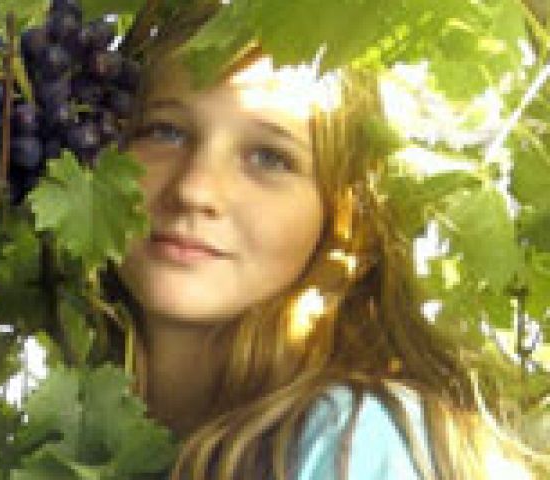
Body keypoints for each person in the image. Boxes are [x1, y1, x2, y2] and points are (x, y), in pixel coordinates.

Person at [95, 11, 547, 480]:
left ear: (341, 218)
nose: (195, 190)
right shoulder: (92, 433)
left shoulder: (351, 440)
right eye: (165, 132)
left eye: (269, 158)